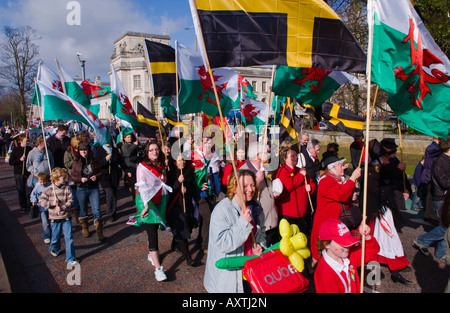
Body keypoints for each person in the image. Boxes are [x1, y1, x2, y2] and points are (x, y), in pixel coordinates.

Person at [203, 169, 266, 293]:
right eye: (245, 186)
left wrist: (260, 245)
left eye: (252, 185)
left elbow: (262, 231)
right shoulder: (222, 209)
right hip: (230, 277)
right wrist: (242, 223)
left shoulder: (256, 207)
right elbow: (222, 243)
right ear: (234, 187)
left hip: (252, 271)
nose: (250, 189)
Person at [361, 139, 412, 285]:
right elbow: (377, 186)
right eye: (384, 157)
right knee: (378, 241)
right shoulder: (370, 173)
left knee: (389, 240)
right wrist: (398, 170)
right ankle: (377, 274)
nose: (387, 159)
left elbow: (388, 176)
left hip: (383, 210)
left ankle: (395, 268)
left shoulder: (380, 170)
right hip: (375, 213)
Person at [310, 156, 361, 266]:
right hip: (326, 222)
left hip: (336, 221)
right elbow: (341, 194)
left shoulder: (336, 179)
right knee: (321, 249)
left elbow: (341, 198)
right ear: (332, 168)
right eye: (340, 165)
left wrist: (351, 197)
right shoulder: (326, 180)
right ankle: (315, 271)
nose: (343, 168)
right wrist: (352, 178)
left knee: (334, 249)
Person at [314, 218, 380, 293]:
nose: (347, 247)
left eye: (348, 242)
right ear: (327, 244)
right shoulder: (325, 273)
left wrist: (367, 235)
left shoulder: (348, 255)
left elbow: (373, 251)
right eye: (342, 243)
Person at [136, 139, 169, 281]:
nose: (155, 152)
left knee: (155, 230)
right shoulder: (142, 167)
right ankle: (158, 269)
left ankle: (151, 254)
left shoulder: (162, 165)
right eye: (152, 150)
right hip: (147, 202)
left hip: (160, 201)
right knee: (153, 236)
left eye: (157, 149)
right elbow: (142, 187)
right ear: (147, 152)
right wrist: (146, 206)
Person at [414, 135, 450, 260]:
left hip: (444, 198)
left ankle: (440, 252)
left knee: (445, 225)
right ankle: (422, 240)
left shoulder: (445, 160)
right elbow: (444, 182)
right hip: (441, 198)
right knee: (446, 227)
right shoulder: (441, 161)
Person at [240, 141, 279, 246]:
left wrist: (274, 192)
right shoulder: (243, 171)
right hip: (259, 226)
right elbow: (240, 196)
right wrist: (256, 182)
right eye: (266, 152)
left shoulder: (265, 168)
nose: (268, 155)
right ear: (258, 156)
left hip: (272, 222)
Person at [38, 167, 78, 265]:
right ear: (56, 179)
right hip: (54, 218)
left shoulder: (67, 188)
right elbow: (41, 201)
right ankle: (54, 248)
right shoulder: (49, 189)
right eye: (63, 178)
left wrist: (63, 207)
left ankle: (70, 258)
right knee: (55, 237)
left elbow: (71, 201)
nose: (65, 180)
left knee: (69, 237)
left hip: (66, 217)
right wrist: (51, 203)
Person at [274, 143, 315, 234]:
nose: (296, 158)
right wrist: (300, 176)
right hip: (287, 214)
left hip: (301, 213)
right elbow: (288, 186)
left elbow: (311, 183)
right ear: (285, 159)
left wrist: (310, 188)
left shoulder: (299, 170)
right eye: (292, 156)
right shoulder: (282, 171)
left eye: (296, 155)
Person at [191, 135, 221, 254]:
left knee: (205, 220)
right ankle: (205, 246)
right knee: (208, 217)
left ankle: (200, 240)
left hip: (211, 191)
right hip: (200, 193)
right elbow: (191, 175)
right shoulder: (195, 156)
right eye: (205, 142)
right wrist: (198, 186)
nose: (207, 145)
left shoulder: (215, 156)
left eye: (209, 142)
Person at [166, 154, 198, 266]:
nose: (182, 162)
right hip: (175, 208)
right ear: (175, 161)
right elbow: (168, 191)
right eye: (179, 160)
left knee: (187, 228)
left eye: (184, 160)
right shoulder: (170, 173)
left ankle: (175, 244)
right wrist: (178, 183)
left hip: (186, 206)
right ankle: (188, 258)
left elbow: (193, 189)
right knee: (181, 231)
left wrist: (186, 189)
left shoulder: (188, 172)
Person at [70, 141, 104, 241]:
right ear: (79, 152)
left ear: (89, 151)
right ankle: (85, 228)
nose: (84, 152)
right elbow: (72, 176)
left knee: (96, 210)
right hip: (82, 188)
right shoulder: (76, 162)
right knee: (83, 209)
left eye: (85, 150)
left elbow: (100, 172)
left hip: (93, 187)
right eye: (81, 150)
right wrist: (80, 179)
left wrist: (96, 176)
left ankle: (99, 232)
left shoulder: (94, 161)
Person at [95, 141, 131, 222]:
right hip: (104, 177)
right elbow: (97, 164)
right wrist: (105, 159)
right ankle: (109, 213)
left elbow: (121, 162)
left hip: (114, 176)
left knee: (114, 195)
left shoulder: (114, 150)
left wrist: (127, 171)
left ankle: (113, 212)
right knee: (110, 194)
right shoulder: (99, 151)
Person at [8, 134, 32, 212]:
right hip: (19, 173)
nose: (28, 142)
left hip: (28, 172)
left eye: (28, 141)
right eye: (26, 141)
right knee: (21, 190)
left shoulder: (29, 149)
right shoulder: (16, 149)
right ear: (21, 141)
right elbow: (11, 162)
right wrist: (20, 160)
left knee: (29, 189)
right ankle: (23, 205)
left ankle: (29, 204)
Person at [421, 137, 441, 223]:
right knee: (433, 196)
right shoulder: (432, 147)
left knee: (431, 196)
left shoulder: (433, 147)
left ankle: (429, 215)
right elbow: (438, 151)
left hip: (431, 175)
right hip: (430, 175)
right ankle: (432, 216)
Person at [30, 172, 52, 244]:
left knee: (52, 221)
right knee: (45, 222)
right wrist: (34, 201)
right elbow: (33, 194)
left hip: (50, 206)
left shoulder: (50, 186)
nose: (42, 183)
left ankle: (52, 233)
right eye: (41, 182)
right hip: (41, 207)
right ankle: (46, 236)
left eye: (44, 182)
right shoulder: (37, 186)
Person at [120, 132, 141, 201]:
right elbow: (128, 153)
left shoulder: (133, 144)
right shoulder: (124, 146)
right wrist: (134, 146)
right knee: (133, 183)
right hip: (130, 166)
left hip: (136, 165)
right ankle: (134, 197)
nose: (130, 138)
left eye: (130, 137)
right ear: (125, 139)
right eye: (128, 137)